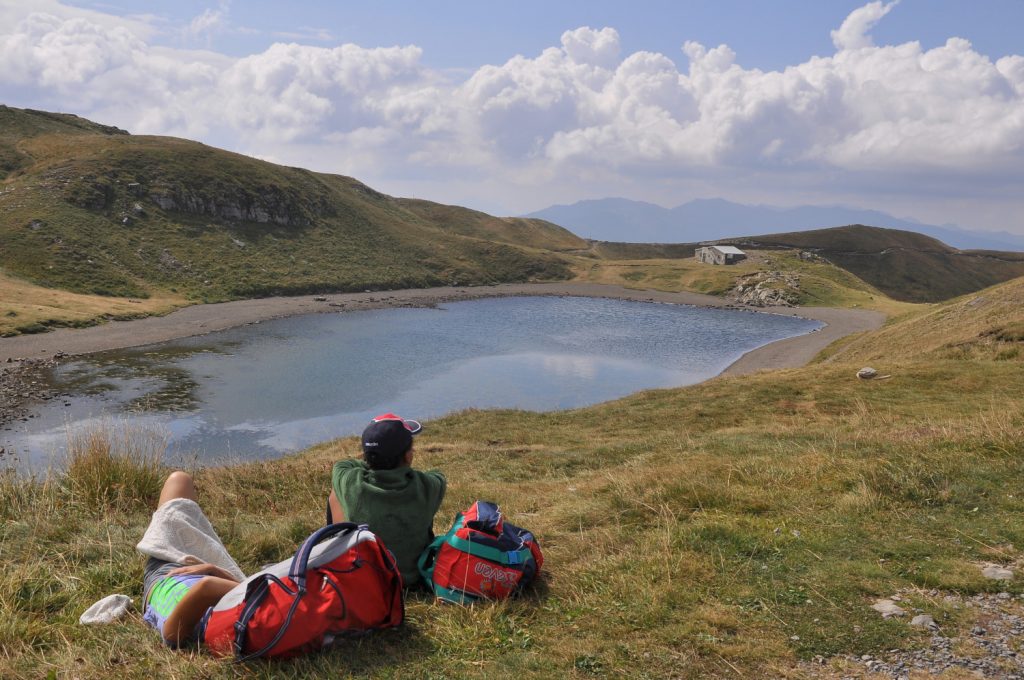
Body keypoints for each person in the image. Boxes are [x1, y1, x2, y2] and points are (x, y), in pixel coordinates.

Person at [327, 413, 446, 588]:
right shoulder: (427, 486)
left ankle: (336, 549)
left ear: (366, 456)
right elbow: (438, 476)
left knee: (336, 492)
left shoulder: (352, 483)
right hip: (413, 579)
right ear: (407, 456)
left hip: (369, 581)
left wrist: (371, 461)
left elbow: (341, 466)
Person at [138, 471, 244, 647]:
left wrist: (211, 569)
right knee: (181, 482)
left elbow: (206, 587)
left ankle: (198, 532)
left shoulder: (178, 630)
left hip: (163, 572)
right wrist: (211, 569)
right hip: (201, 570)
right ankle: (199, 532)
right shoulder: (237, 611)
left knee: (179, 479)